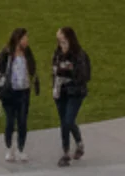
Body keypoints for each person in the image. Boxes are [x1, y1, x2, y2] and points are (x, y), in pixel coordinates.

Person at [0, 27, 40, 163]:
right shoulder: (6, 53)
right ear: (18, 39)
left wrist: (34, 80)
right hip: (10, 93)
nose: (27, 40)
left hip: (24, 92)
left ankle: (21, 150)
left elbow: (32, 66)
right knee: (10, 122)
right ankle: (9, 148)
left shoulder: (27, 52)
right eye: (25, 38)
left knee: (23, 122)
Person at [51, 26, 91, 166]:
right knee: (65, 121)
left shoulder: (79, 54)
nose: (60, 42)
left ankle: (72, 148)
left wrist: (69, 70)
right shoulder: (57, 52)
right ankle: (68, 150)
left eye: (61, 37)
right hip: (60, 91)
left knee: (68, 120)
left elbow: (84, 75)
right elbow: (54, 71)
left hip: (74, 92)